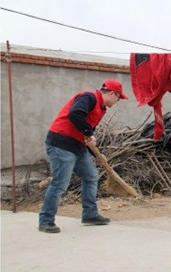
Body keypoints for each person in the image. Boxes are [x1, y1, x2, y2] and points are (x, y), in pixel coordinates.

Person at [38, 79, 129, 233]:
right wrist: (88, 133)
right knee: (60, 183)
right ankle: (46, 221)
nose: (118, 101)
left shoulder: (101, 108)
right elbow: (75, 114)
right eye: (118, 98)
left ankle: (89, 214)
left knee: (91, 176)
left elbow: (87, 135)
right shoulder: (89, 97)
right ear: (112, 93)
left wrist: (97, 155)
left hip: (77, 146)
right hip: (61, 143)